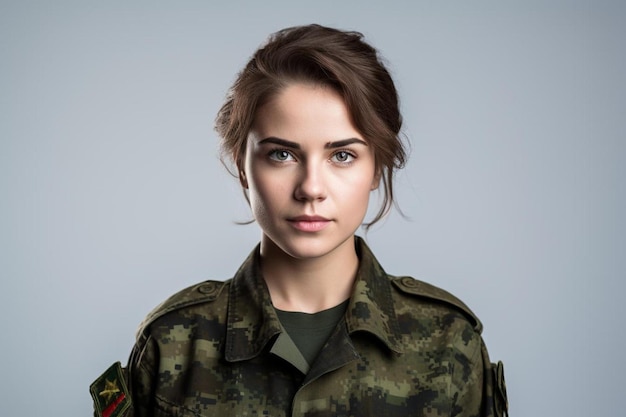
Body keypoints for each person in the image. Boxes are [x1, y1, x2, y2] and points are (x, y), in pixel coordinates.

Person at [91, 24, 508, 417]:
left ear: (377, 168)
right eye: (282, 154)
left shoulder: (449, 342)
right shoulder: (173, 343)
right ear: (241, 166)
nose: (311, 187)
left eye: (342, 156)